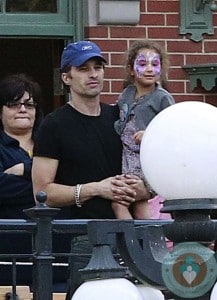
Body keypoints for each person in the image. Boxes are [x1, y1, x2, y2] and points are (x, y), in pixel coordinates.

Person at [32, 40, 151, 297]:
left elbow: (148, 169)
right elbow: (42, 192)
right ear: (66, 77)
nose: (93, 73)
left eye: (98, 67)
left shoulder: (120, 116)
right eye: (83, 68)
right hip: (83, 238)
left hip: (132, 235)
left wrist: (143, 189)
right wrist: (96, 189)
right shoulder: (54, 125)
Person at [113, 40, 175, 219]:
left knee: (138, 202)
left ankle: (148, 243)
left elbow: (172, 130)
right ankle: (130, 242)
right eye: (142, 64)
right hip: (128, 158)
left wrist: (150, 135)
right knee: (119, 202)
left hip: (148, 160)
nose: (149, 69)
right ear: (131, 70)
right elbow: (120, 118)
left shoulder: (162, 98)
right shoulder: (126, 95)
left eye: (155, 64)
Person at [0, 73, 43, 285]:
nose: (23, 109)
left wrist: (25, 169)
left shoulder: (50, 144)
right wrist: (47, 186)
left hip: (55, 253)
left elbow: (71, 178)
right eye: (13, 104)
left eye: (29, 104)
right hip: (9, 255)